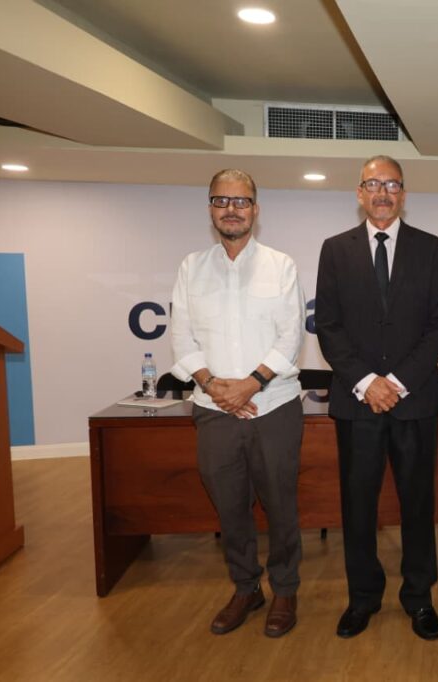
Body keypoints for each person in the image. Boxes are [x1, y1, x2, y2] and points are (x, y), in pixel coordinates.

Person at [314, 155, 438, 640]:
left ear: (403, 195)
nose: (382, 193)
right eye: (373, 184)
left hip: (414, 402)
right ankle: (362, 599)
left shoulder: (431, 249)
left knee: (418, 505)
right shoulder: (335, 250)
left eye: (392, 185)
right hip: (357, 404)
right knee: (358, 507)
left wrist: (396, 382)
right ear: (359, 193)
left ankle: (419, 598)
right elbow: (328, 326)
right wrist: (367, 382)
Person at [169, 169, 306, 637]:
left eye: (241, 201)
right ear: (210, 208)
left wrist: (249, 384)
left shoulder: (280, 265)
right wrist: (212, 385)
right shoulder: (191, 267)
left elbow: (290, 336)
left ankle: (285, 590)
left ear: (255, 209)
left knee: (281, 506)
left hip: (274, 406)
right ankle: (246, 589)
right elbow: (181, 336)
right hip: (214, 411)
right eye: (222, 200)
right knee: (229, 508)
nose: (232, 209)